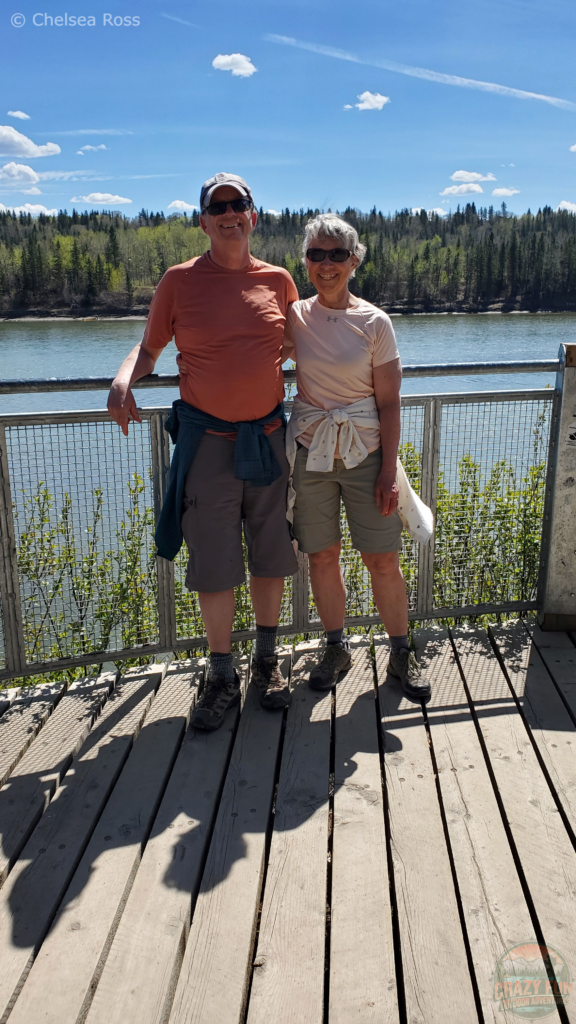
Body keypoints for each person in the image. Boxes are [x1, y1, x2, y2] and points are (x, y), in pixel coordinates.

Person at [107, 172, 299, 730]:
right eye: (218, 207)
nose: (229, 213)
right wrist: (123, 380)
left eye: (238, 205)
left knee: (271, 552)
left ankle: (267, 663)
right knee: (214, 561)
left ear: (253, 215)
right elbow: (149, 348)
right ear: (203, 220)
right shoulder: (179, 280)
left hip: (267, 439)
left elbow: (296, 344)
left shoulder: (280, 280)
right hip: (209, 444)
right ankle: (220, 674)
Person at [284, 213, 432, 702]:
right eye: (316, 254)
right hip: (313, 454)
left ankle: (401, 652)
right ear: (305, 261)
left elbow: (390, 402)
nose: (326, 265)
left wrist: (389, 472)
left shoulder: (375, 322)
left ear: (354, 261)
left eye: (337, 255)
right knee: (322, 556)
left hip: (367, 454)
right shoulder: (295, 316)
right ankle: (336, 648)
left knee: (382, 560)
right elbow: (248, 349)